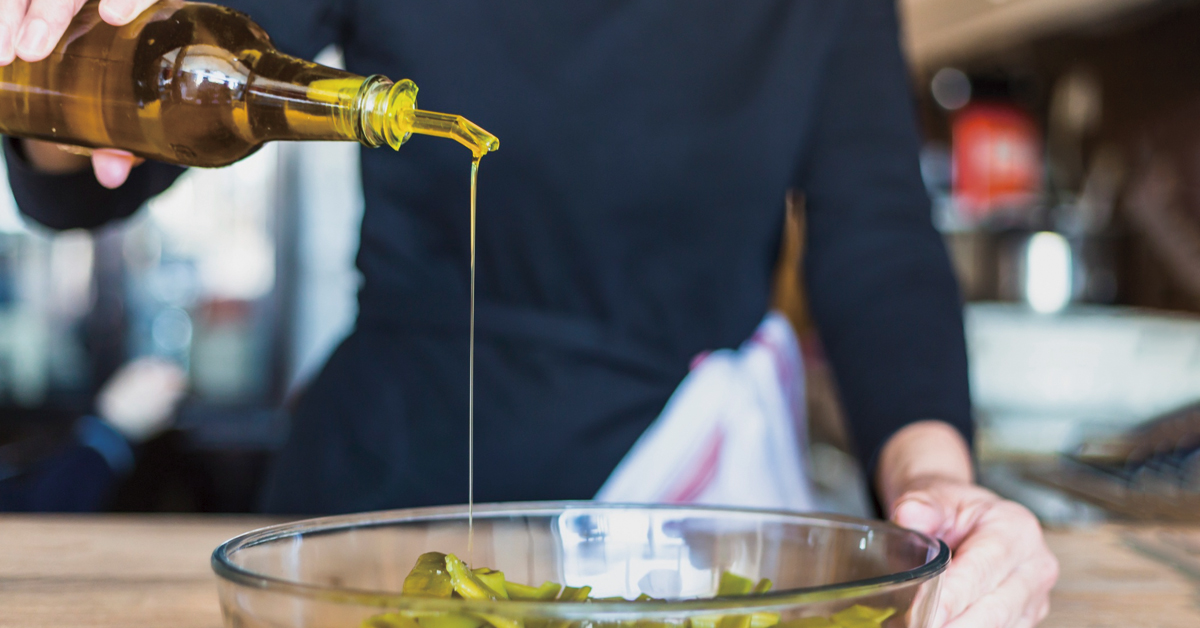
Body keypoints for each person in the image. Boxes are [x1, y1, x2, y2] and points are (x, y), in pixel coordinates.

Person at [0, 0, 1058, 625]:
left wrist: (940, 490)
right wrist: (62, 44)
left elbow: (876, 239)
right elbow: (85, 169)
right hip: (390, 494)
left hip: (682, 534)